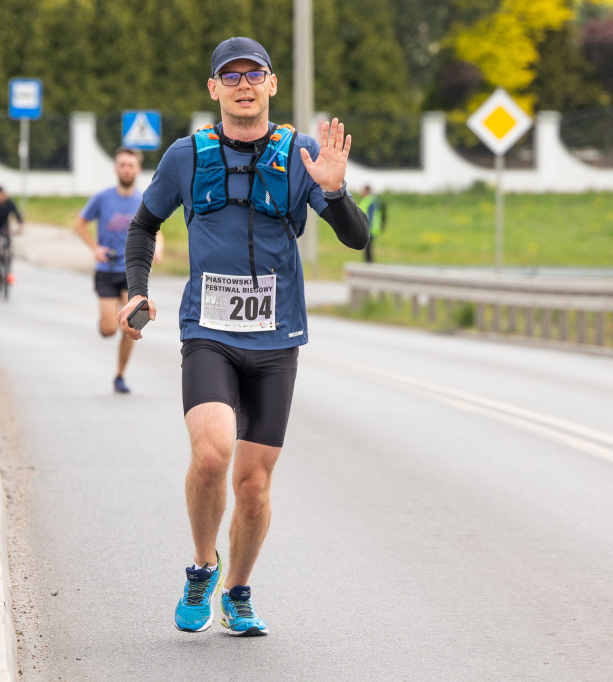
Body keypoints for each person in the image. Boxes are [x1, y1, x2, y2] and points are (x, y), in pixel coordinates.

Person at [118, 37, 369, 636]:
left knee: (253, 484)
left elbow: (355, 238)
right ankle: (203, 567)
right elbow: (143, 223)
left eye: (253, 74)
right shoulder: (186, 156)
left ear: (271, 84)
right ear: (214, 90)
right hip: (208, 331)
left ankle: (237, 590)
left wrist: (332, 191)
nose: (243, 85)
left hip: (277, 339)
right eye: (229, 77)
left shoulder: (301, 154)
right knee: (212, 454)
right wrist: (136, 287)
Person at [74, 147, 164, 394]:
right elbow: (80, 224)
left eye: (130, 165)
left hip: (131, 271)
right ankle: (108, 319)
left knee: (134, 324)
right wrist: (95, 248)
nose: (126, 169)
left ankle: (120, 375)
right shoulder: (102, 198)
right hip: (106, 268)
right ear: (116, 168)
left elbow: (156, 229)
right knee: (109, 329)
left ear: (137, 169)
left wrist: (159, 248)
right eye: (122, 165)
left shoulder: (144, 200)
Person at [358, 185, 386, 263]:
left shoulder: (370, 201)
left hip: (370, 228)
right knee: (367, 247)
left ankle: (369, 263)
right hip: (369, 228)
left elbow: (370, 216)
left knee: (368, 247)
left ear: (367, 191)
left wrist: (366, 227)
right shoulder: (369, 200)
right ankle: (368, 262)